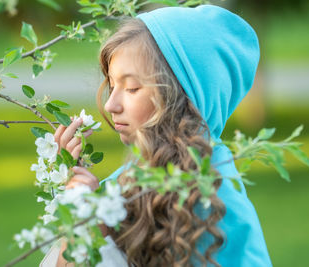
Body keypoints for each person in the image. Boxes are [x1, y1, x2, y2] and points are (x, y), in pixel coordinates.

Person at [52, 4, 272, 267]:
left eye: (132, 88)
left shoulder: (214, 202)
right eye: (112, 85)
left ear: (181, 98)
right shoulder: (122, 184)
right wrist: (82, 207)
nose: (110, 105)